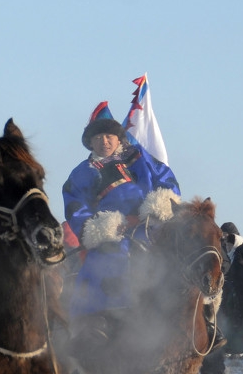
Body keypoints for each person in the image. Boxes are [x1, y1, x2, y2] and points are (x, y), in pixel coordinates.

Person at [62, 116, 180, 323]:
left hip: (151, 224)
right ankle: (100, 320)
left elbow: (165, 178)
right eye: (98, 138)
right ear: (90, 143)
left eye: (109, 136)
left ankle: (199, 316)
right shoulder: (81, 172)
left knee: (188, 255)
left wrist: (160, 205)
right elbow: (75, 207)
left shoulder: (140, 156)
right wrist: (101, 227)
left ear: (118, 139)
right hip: (114, 234)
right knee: (105, 261)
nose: (104, 141)